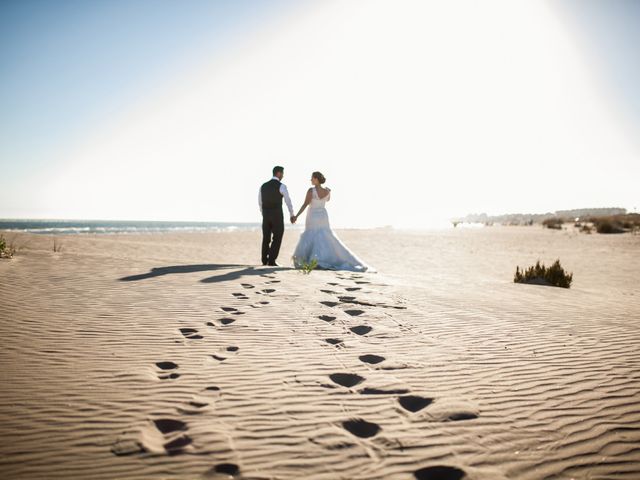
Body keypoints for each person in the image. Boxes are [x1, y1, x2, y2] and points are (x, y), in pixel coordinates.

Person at [291, 171, 372, 272]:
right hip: (323, 216)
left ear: (316, 179)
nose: (311, 180)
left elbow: (305, 204)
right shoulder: (327, 191)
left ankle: (314, 259)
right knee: (324, 236)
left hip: (313, 216)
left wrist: (296, 216)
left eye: (312, 178)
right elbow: (327, 200)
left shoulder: (311, 191)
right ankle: (321, 259)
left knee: (311, 235)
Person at [259, 166, 296, 266]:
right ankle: (271, 260)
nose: (283, 176)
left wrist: (264, 213)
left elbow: (260, 202)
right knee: (277, 237)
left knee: (266, 238)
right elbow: (288, 201)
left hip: (266, 215)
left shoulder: (263, 186)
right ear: (279, 173)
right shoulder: (282, 186)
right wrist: (292, 214)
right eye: (282, 173)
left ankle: (264, 260)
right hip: (277, 215)